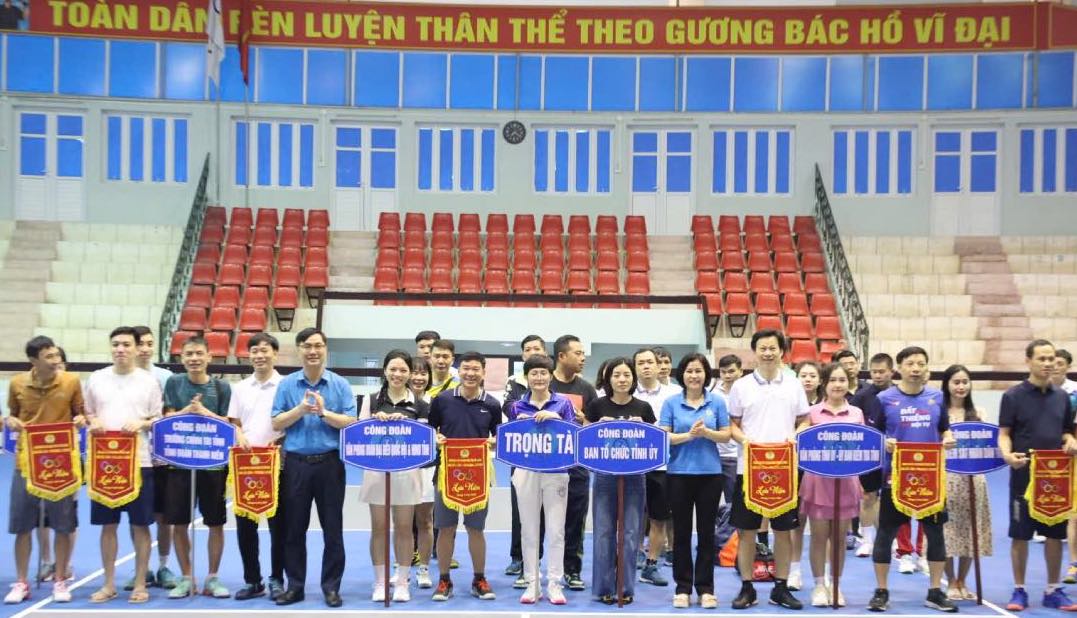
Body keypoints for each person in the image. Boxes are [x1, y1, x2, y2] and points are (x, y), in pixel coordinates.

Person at [271, 328, 357, 608]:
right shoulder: (286, 385)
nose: (313, 351)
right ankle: (295, 586)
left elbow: (350, 422)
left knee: (333, 529)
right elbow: (276, 422)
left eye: (318, 346)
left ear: (325, 349)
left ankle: (331, 587)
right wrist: (300, 410)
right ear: (299, 349)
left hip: (330, 465)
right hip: (295, 466)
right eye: (307, 346)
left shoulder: (340, 385)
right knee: (293, 530)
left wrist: (322, 412)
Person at [868, 346, 957, 613]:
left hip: (930, 480)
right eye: (910, 364)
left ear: (926, 368)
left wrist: (948, 437)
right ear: (900, 368)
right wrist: (885, 442)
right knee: (885, 535)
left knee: (936, 535)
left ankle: (934, 591)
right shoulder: (884, 398)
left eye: (921, 363)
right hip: (894, 479)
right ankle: (881, 591)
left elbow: (944, 428)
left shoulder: (937, 397)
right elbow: (874, 433)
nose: (916, 368)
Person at [727, 330, 809, 610]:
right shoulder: (741, 386)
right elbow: (732, 425)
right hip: (748, 468)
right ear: (754, 351)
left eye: (773, 348)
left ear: (781, 351)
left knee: (783, 531)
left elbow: (804, 419)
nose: (768, 353)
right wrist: (745, 441)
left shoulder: (794, 385)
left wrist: (796, 435)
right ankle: (747, 587)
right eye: (762, 348)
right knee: (747, 531)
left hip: (784, 468)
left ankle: (781, 587)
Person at [83, 326, 163, 604]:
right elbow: (88, 413)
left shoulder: (148, 381)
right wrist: (92, 422)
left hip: (140, 462)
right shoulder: (96, 379)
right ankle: (108, 584)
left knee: (141, 524)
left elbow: (157, 418)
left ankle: (141, 583)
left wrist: (141, 423)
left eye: (126, 344)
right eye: (116, 344)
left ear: (135, 347)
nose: (120, 349)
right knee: (108, 525)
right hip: (105, 464)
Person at [4, 336, 85, 604]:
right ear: (33, 361)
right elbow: (12, 414)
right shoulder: (16, 383)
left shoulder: (72, 382)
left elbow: (80, 413)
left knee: (63, 525)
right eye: (49, 357)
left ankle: (60, 579)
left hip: (61, 464)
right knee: (22, 525)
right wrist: (10, 420)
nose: (55, 361)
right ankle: (21, 581)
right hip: (25, 463)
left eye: (56, 355)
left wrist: (81, 419)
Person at [999, 340, 1077, 612]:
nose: (1048, 363)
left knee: (1055, 535)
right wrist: (1007, 456)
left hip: (1055, 478)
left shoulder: (1062, 398)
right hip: (1023, 475)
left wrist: (1070, 441)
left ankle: (1053, 589)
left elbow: (1067, 431)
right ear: (1028, 361)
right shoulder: (1013, 396)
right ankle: (1019, 590)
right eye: (1042, 358)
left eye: (1051, 358)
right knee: (1020, 535)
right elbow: (1004, 434)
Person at [160, 336, 232, 599]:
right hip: (179, 463)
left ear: (209, 357)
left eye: (199, 353)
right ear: (182, 358)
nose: (194, 358)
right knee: (179, 523)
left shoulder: (222, 388)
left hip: (213, 466)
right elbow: (165, 417)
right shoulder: (174, 383)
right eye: (188, 354)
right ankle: (187, 576)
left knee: (215, 523)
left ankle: (212, 577)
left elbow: (229, 423)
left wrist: (203, 412)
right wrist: (186, 411)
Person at [428, 351, 502, 602]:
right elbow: (430, 430)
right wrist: (436, 438)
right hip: (446, 475)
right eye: (466, 368)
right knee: (445, 528)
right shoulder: (442, 400)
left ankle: (478, 578)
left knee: (475, 529)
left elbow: (498, 437)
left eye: (476, 369)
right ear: (459, 371)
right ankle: (444, 579)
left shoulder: (492, 404)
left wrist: (493, 442)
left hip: (478, 477)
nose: (470, 374)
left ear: (483, 372)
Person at [660, 353, 731, 609]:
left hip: (710, 475)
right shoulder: (671, 403)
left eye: (698, 371)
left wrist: (707, 433)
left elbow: (726, 436)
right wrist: (689, 436)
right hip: (678, 475)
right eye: (689, 370)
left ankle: (705, 589)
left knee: (706, 534)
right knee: (680, 534)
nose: (694, 375)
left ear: (706, 374)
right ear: (682, 374)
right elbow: (664, 437)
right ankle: (682, 588)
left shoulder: (718, 402)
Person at [358, 350, 430, 602]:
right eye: (393, 369)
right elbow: (360, 435)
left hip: (407, 474)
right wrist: (374, 423)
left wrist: (407, 425)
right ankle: (380, 582)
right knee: (378, 528)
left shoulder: (420, 404)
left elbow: (424, 441)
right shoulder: (371, 400)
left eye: (403, 370)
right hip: (377, 472)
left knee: (403, 528)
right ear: (385, 371)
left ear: (410, 373)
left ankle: (402, 582)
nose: (397, 374)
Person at [505, 354, 576, 605]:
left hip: (556, 471)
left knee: (556, 530)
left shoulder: (563, 403)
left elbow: (574, 436)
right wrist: (520, 426)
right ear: (527, 377)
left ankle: (555, 584)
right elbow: (509, 440)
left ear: (550, 376)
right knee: (529, 530)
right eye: (533, 373)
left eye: (543, 373)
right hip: (525, 472)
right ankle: (532, 583)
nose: (538, 377)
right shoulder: (516, 407)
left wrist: (556, 419)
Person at [586, 357, 655, 605]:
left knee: (631, 533)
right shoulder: (596, 406)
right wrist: (596, 427)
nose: (622, 379)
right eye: (617, 375)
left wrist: (644, 429)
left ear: (633, 378)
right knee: (604, 532)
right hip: (604, 476)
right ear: (609, 379)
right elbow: (585, 439)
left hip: (635, 477)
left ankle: (625, 588)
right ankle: (603, 587)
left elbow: (653, 445)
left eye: (626, 375)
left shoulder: (644, 408)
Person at [797, 362, 864, 607]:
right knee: (818, 536)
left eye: (842, 380)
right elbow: (802, 442)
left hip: (846, 483)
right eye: (833, 380)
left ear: (849, 383)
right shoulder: (812, 413)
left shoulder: (856, 413)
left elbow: (862, 445)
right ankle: (818, 585)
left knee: (838, 538)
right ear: (824, 384)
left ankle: (836, 584)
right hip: (818, 483)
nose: (838, 385)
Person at [227, 333, 286, 601]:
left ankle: (276, 578)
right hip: (246, 468)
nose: (259, 355)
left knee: (279, 528)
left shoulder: (286, 386)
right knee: (245, 528)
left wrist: (279, 442)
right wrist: (238, 434)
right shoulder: (240, 388)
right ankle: (253, 581)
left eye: (264, 350)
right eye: (254, 351)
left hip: (277, 466)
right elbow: (234, 422)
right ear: (248, 355)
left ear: (275, 353)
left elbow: (290, 421)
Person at [124, 325, 176, 590]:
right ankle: (140, 568)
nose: (145, 348)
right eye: (140, 344)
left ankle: (164, 566)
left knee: (163, 515)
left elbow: (168, 415)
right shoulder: (123, 379)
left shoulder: (166, 377)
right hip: (131, 457)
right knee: (138, 517)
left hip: (161, 457)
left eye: (148, 343)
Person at [939, 364, 992, 602]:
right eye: (956, 382)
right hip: (946, 478)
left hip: (974, 479)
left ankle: (963, 580)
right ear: (947, 385)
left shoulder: (979, 413)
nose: (961, 387)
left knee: (971, 530)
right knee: (947, 530)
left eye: (964, 382)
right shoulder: (940, 414)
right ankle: (950, 580)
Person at [550, 334, 598, 591]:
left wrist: (583, 422)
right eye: (578, 353)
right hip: (546, 464)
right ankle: (532, 570)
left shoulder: (587, 389)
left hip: (577, 465)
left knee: (575, 520)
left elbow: (593, 428)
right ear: (561, 356)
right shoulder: (544, 385)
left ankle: (571, 570)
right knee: (540, 521)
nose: (583, 358)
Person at [503, 334, 548, 584]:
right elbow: (509, 407)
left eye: (537, 348)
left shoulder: (550, 380)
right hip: (521, 453)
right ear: (522, 355)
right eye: (527, 349)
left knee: (548, 514)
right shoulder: (514, 381)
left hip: (550, 457)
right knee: (520, 509)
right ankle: (518, 557)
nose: (532, 352)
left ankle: (546, 564)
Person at [634, 347, 680, 588]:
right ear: (635, 367)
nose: (646, 366)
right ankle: (627, 558)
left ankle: (652, 565)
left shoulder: (674, 395)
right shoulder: (626, 392)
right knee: (629, 517)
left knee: (659, 518)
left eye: (650, 362)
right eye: (640, 362)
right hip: (630, 467)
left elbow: (676, 428)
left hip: (661, 466)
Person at [851, 352, 893, 559]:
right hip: (869, 455)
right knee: (869, 496)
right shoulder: (861, 396)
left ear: (891, 372)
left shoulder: (899, 394)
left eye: (881, 371)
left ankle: (889, 539)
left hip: (894, 456)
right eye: (874, 372)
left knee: (892, 499)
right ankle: (867, 540)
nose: (877, 375)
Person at [408, 355, 437, 588]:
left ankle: (424, 569)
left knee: (425, 521)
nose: (418, 377)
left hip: (426, 470)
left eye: (423, 373)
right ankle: (402, 566)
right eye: (414, 372)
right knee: (402, 522)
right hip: (400, 472)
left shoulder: (436, 404)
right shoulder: (392, 402)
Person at [713, 354, 743, 506]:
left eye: (731, 371)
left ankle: (728, 531)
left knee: (733, 502)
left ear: (741, 371)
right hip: (713, 454)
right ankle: (716, 530)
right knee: (710, 502)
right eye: (723, 372)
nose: (727, 375)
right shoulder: (711, 393)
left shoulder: (747, 393)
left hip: (735, 455)